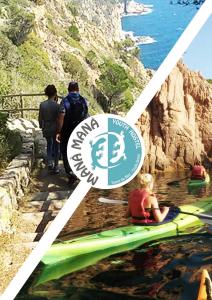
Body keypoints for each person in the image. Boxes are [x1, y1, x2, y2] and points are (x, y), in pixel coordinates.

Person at [56, 81, 88, 183]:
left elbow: (61, 117)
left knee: (66, 152)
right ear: (78, 89)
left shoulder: (64, 101)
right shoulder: (84, 101)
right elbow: (86, 116)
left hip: (67, 130)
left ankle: (70, 174)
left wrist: (59, 131)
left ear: (68, 89)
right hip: (80, 131)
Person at [39, 85, 60, 174]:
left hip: (47, 127)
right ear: (55, 93)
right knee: (56, 146)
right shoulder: (57, 106)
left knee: (49, 144)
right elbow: (59, 118)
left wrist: (41, 126)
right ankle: (56, 166)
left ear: (46, 93)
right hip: (55, 127)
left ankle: (50, 163)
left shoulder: (42, 105)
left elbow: (40, 118)